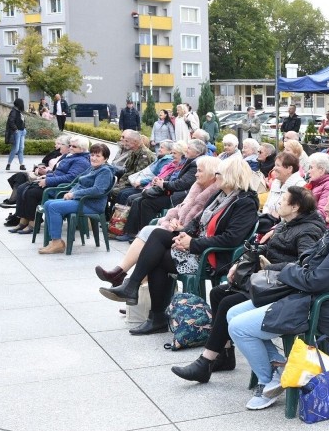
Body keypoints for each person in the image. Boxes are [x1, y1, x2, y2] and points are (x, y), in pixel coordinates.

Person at [227, 182, 329, 409]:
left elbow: (315, 280)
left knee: (238, 327)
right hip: (307, 297)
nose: (325, 207)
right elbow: (311, 266)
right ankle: (280, 368)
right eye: (327, 202)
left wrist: (287, 270)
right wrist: (288, 270)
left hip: (322, 308)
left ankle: (268, 381)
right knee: (233, 313)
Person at [171, 186, 327, 384]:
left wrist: (269, 266)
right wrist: (242, 262)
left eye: (283, 200)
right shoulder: (286, 223)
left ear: (295, 207)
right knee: (218, 293)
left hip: (282, 286)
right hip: (266, 279)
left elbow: (305, 263)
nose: (278, 202)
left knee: (229, 302)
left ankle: (205, 361)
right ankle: (225, 354)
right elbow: (268, 248)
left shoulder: (308, 230)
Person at [101, 156, 260, 335]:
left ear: (231, 176)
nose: (216, 178)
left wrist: (192, 243)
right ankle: (138, 293)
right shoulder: (221, 195)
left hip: (214, 257)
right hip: (200, 246)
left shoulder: (245, 202)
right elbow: (198, 221)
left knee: (158, 257)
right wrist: (184, 232)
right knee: (158, 235)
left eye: (219, 174)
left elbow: (231, 239)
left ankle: (147, 305)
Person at [95, 156, 222, 288]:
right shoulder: (197, 187)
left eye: (200, 171)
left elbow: (201, 223)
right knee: (147, 229)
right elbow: (181, 208)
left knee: (150, 236)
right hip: (179, 231)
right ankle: (129, 286)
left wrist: (182, 228)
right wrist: (171, 220)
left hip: (191, 241)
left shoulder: (214, 193)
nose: (196, 174)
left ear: (211, 173)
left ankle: (126, 282)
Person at [121, 139, 206, 240]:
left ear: (198, 152)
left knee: (146, 203)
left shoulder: (195, 164)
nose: (186, 150)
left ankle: (145, 235)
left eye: (189, 148)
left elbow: (182, 184)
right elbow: (171, 177)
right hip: (172, 191)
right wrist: (161, 182)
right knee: (139, 200)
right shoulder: (189, 160)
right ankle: (135, 233)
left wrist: (163, 184)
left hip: (179, 196)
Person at [39, 143, 114, 255]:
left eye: (98, 156)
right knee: (48, 204)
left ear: (105, 158)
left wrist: (74, 194)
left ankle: (57, 243)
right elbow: (79, 181)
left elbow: (98, 190)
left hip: (91, 204)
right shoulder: (92, 168)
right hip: (81, 200)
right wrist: (71, 191)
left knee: (54, 207)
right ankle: (54, 241)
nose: (93, 158)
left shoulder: (105, 171)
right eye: (92, 155)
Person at [8, 136, 92, 234]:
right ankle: (23, 220)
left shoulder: (81, 161)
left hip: (60, 188)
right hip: (55, 183)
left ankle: (33, 223)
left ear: (82, 149)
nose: (71, 147)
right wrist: (46, 176)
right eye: (70, 145)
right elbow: (57, 172)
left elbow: (70, 178)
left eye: (74, 146)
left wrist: (48, 181)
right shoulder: (71, 156)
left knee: (31, 192)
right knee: (22, 188)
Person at [111, 131, 156, 202]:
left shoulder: (144, 155)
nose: (124, 143)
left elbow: (137, 175)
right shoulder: (133, 152)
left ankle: (119, 212)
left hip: (139, 185)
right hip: (128, 182)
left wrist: (121, 184)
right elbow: (127, 170)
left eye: (127, 141)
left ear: (135, 142)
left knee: (116, 192)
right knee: (107, 188)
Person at [262, 152, 306, 219]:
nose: (274, 168)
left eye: (278, 165)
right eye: (275, 165)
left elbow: (298, 214)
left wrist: (279, 218)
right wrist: (267, 216)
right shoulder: (275, 183)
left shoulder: (300, 186)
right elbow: (267, 205)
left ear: (289, 169)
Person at [306, 152, 329, 221]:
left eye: (311, 168)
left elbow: (323, 214)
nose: (308, 171)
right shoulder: (315, 183)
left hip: (322, 228)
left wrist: (299, 214)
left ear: (321, 170)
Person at [5, 98, 26, 171]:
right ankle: (9, 163)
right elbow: (11, 121)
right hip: (17, 132)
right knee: (16, 148)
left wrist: (24, 128)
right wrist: (16, 129)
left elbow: (21, 121)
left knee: (21, 148)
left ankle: (21, 164)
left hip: (22, 131)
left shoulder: (19, 111)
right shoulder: (14, 111)